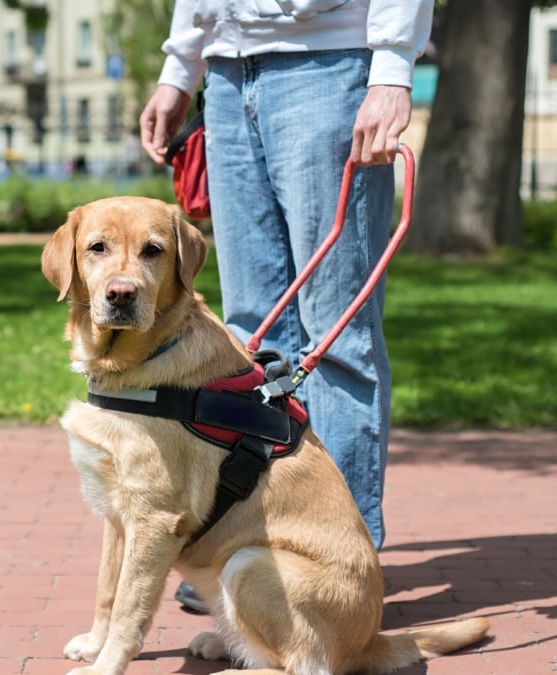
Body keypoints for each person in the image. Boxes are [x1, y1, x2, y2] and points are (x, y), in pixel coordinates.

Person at [140, 0, 432, 611]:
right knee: (250, 337)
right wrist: (180, 67)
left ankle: (339, 573)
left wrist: (391, 67)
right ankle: (254, 552)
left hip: (329, 67)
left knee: (336, 340)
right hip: (226, 73)